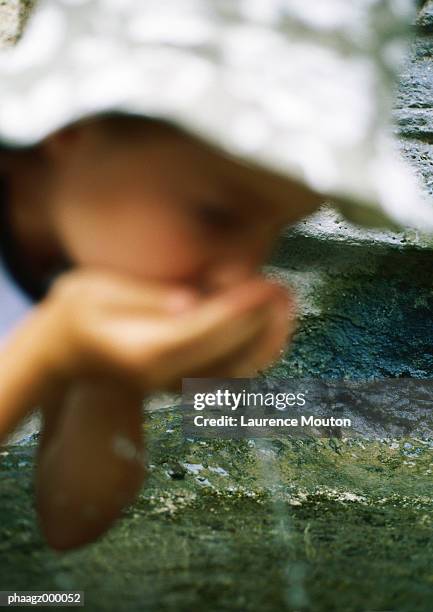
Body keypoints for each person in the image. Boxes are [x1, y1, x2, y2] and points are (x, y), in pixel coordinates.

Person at [0, 112, 324, 550]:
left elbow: (72, 520)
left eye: (272, 234)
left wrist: (113, 375)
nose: (239, 275)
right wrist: (47, 350)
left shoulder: (78, 257)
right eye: (216, 216)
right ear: (73, 126)